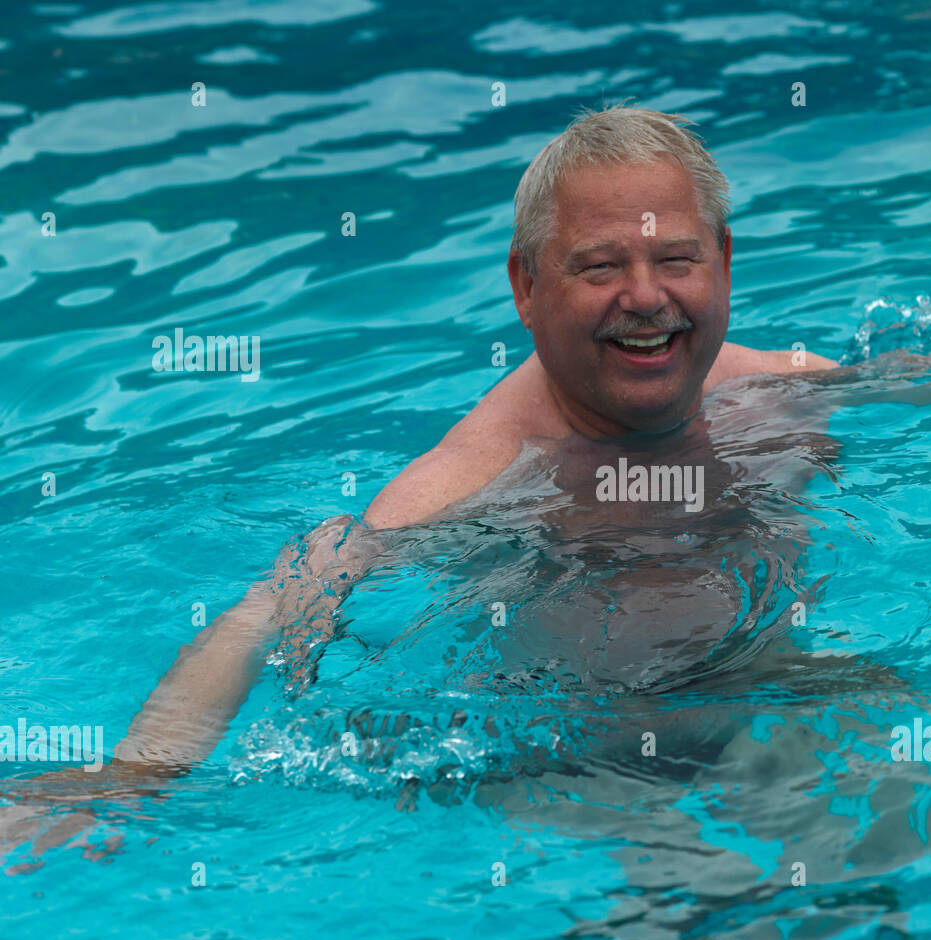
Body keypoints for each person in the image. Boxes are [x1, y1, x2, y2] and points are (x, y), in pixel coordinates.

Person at [1, 104, 853, 857]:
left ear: (724, 260)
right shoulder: (479, 476)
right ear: (526, 285)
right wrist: (130, 773)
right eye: (598, 267)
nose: (645, 296)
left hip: (781, 701)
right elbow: (272, 605)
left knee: (924, 836)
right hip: (578, 776)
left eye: (675, 258)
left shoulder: (783, 394)